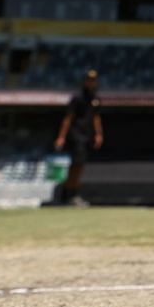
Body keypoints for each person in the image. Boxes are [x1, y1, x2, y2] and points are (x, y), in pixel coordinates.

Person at [52, 70, 103, 206]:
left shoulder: (95, 99)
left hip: (87, 135)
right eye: (89, 80)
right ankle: (69, 194)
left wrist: (98, 134)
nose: (91, 82)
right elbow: (68, 118)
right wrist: (61, 137)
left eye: (93, 80)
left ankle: (71, 193)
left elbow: (96, 118)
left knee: (80, 165)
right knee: (76, 164)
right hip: (76, 135)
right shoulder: (78, 98)